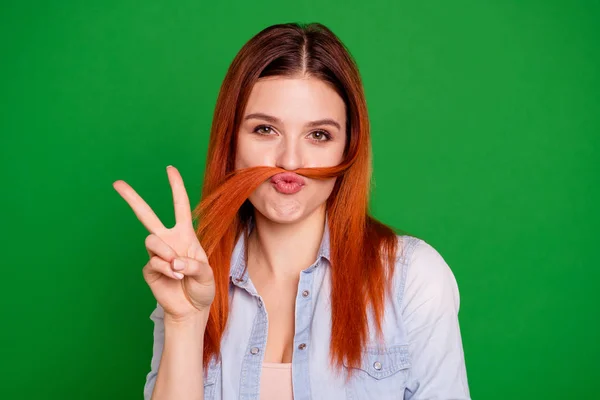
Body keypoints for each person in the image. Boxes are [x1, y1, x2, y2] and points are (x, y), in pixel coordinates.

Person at [113, 22, 470, 400]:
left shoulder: (412, 279)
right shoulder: (191, 279)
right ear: (231, 140)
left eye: (319, 135)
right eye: (266, 129)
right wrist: (185, 323)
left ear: (348, 149)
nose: (290, 160)